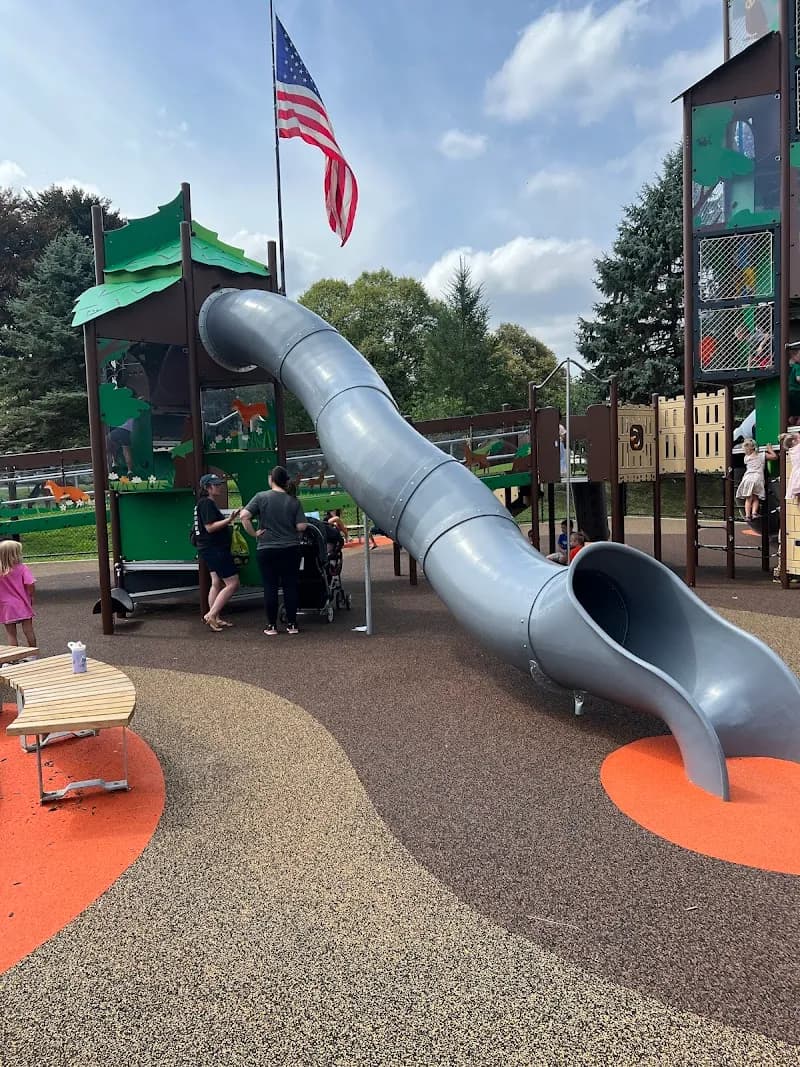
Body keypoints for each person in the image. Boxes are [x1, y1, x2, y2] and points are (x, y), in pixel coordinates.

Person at [241, 465, 308, 636]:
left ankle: (271, 626)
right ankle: (292, 624)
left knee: (269, 586)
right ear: (286, 481)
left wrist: (254, 533)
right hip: (290, 548)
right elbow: (302, 525)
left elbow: (244, 516)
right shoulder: (293, 501)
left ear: (271, 479)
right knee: (290, 585)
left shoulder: (261, 497)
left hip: (267, 548)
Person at [194, 474, 240, 632]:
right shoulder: (207, 503)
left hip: (207, 548)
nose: (219, 486)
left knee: (216, 582)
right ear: (208, 488)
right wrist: (229, 520)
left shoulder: (202, 503)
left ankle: (216, 617)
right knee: (232, 583)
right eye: (216, 484)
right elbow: (210, 527)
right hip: (215, 548)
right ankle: (211, 615)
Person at [0, 539, 36, 651]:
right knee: (28, 630)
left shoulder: (1, 570)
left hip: (6, 606)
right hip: (22, 603)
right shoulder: (22, 568)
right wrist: (30, 595)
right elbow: (30, 584)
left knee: (11, 634)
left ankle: (13, 657)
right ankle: (32, 652)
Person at [736, 438, 770, 521]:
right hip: (758, 478)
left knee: (748, 498)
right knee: (756, 497)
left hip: (748, 478)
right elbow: (774, 457)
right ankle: (754, 513)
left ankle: (747, 515)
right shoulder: (761, 455)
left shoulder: (746, 458)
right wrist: (770, 449)